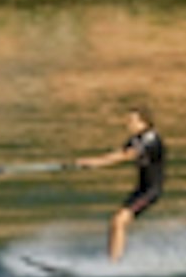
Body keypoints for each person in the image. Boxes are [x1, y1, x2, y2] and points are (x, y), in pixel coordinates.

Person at [67, 106, 166, 260]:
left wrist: (95, 163)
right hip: (141, 189)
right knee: (116, 222)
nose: (128, 124)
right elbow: (120, 152)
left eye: (132, 121)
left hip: (151, 190)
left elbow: (126, 155)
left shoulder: (151, 139)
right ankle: (112, 258)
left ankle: (114, 263)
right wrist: (89, 163)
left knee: (119, 221)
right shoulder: (136, 138)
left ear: (144, 122)